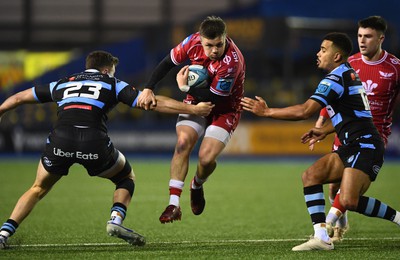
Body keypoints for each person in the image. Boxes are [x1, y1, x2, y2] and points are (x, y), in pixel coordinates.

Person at [0, 50, 214, 249]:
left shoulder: (63, 83)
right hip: (93, 141)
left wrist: (1, 111)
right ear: (106, 70)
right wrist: (192, 108)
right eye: (113, 71)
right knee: (125, 177)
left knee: (38, 188)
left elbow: (19, 98)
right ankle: (115, 220)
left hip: (60, 140)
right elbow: (150, 102)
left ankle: (4, 233)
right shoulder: (112, 83)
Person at [241, 32, 400, 251]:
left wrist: (267, 112)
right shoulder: (347, 75)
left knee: (349, 201)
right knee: (311, 175)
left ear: (336, 56)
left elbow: (305, 110)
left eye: (323, 50)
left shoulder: (335, 78)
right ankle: (321, 236)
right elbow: (355, 115)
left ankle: (398, 218)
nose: (318, 53)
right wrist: (325, 130)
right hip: (351, 145)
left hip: (365, 146)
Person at [137, 16, 246, 223]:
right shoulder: (191, 41)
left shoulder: (232, 61)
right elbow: (167, 63)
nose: (214, 50)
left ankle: (197, 184)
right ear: (201, 39)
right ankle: (173, 204)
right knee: (183, 143)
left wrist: (185, 88)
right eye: (209, 45)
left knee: (205, 158)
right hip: (195, 101)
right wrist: (149, 87)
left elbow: (216, 98)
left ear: (225, 38)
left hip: (225, 109)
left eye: (219, 44)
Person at [309, 16, 400, 243]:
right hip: (345, 132)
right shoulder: (350, 65)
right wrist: (321, 122)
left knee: (349, 194)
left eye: (368, 36)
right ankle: (339, 223)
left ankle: (327, 227)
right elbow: (333, 97)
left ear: (381, 38)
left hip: (373, 135)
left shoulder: (396, 68)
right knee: (333, 190)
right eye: (359, 35)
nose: (362, 40)